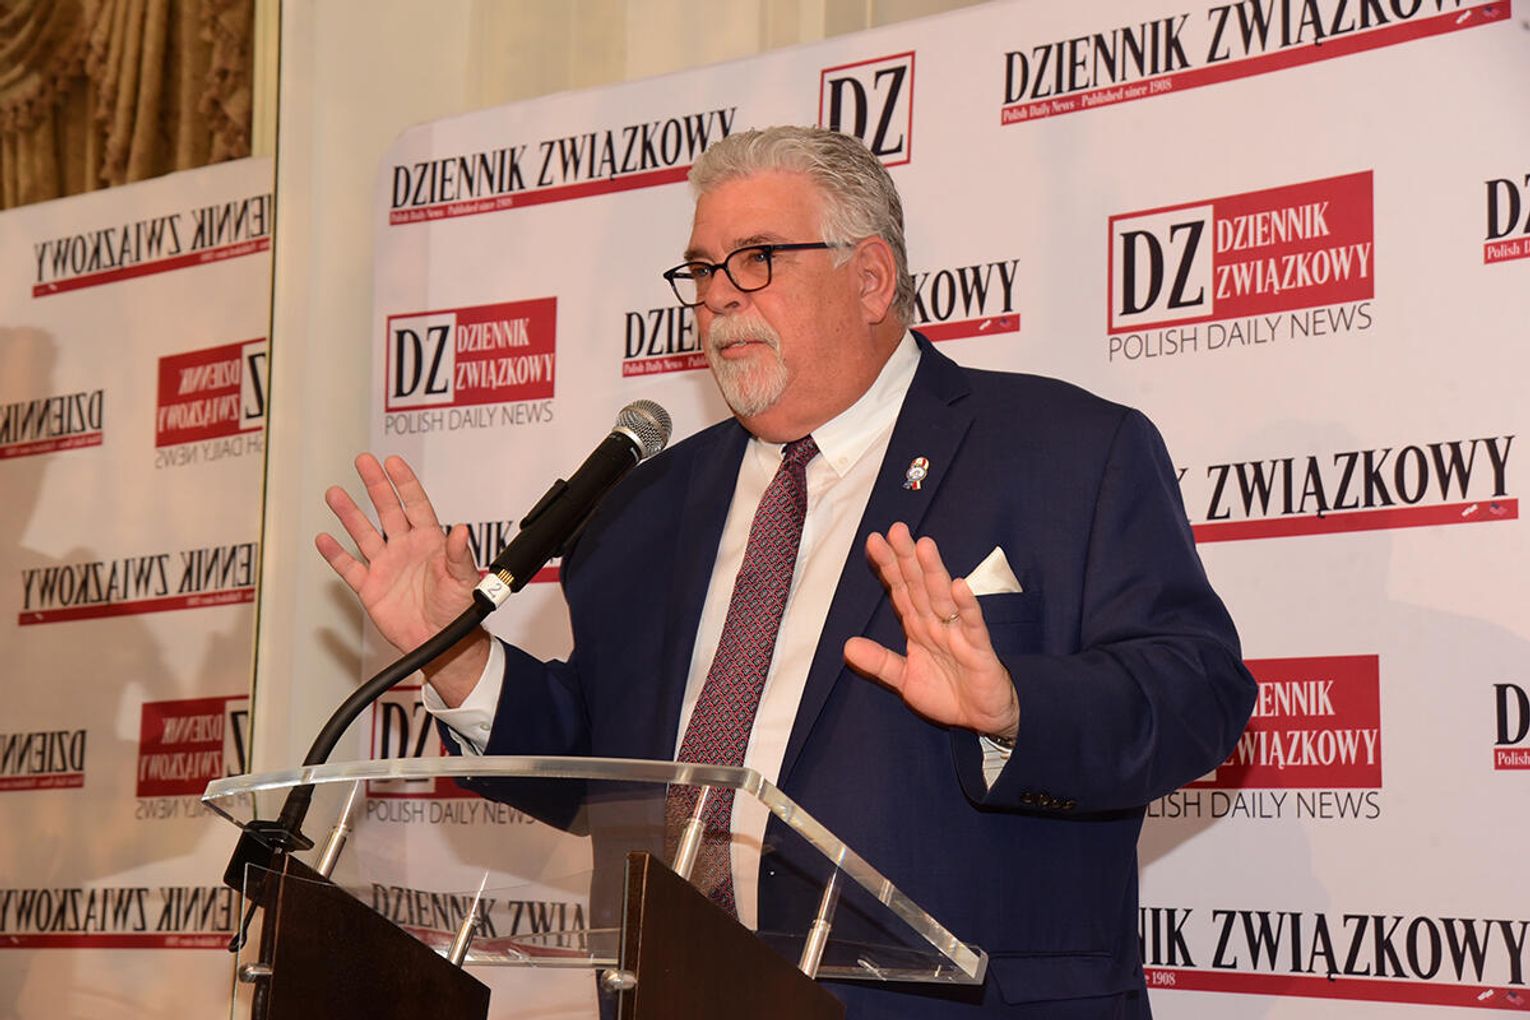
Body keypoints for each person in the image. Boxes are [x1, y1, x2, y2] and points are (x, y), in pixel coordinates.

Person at [318, 126, 1256, 1018]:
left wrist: (1014, 707)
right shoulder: (647, 506)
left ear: (871, 278)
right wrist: (456, 656)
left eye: (756, 259)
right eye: (702, 270)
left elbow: (1200, 695)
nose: (718, 297)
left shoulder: (1066, 454)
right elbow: (607, 773)